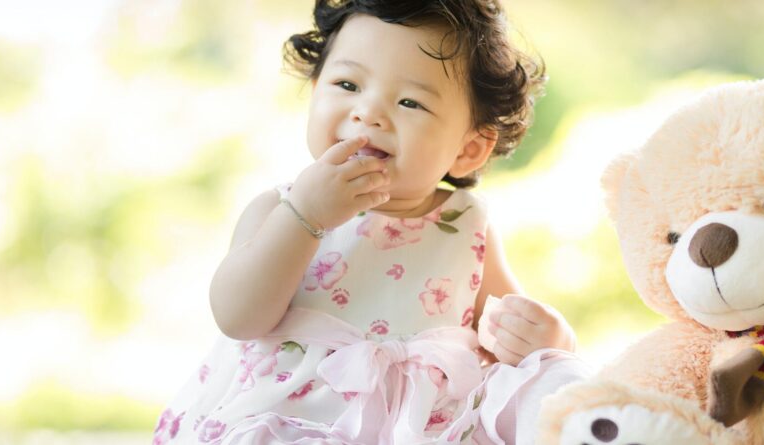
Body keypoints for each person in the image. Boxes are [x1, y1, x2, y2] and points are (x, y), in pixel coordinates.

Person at [154, 1, 589, 443]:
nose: (368, 113)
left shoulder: (465, 224)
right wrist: (305, 217)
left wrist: (548, 340)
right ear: (315, 91)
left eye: (409, 102)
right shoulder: (281, 210)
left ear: (468, 149)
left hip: (417, 429)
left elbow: (505, 331)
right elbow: (238, 319)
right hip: (292, 423)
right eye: (347, 84)